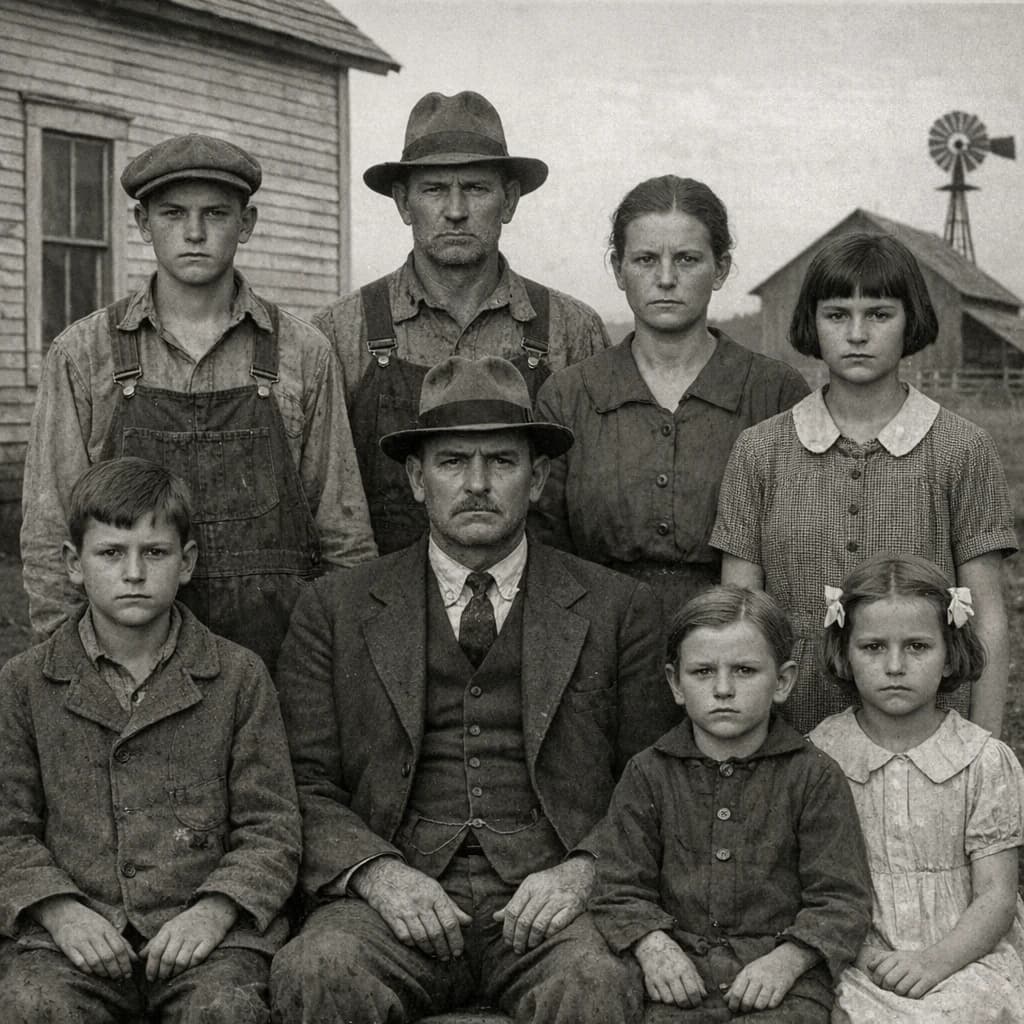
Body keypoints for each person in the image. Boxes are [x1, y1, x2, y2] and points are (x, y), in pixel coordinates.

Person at [270, 355, 673, 1024]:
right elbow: (301, 783)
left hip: (550, 904)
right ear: (415, 480)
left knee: (596, 983)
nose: (478, 484)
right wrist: (377, 873)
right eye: (453, 462)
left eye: (503, 463)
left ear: (538, 477)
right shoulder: (335, 608)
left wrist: (583, 872)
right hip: (394, 898)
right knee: (318, 969)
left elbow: (655, 782)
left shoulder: (618, 607)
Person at [21, 133, 376, 673]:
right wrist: (71, 670)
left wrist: (335, 670)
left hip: (279, 663)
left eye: (215, 213)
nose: (193, 233)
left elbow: (343, 536)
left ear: (247, 224)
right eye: (172, 214)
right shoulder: (83, 353)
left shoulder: (302, 354)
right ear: (142, 224)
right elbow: (51, 537)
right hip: (128, 669)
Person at [0, 458, 301, 1023]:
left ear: (185, 563)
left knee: (227, 1010)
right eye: (111, 553)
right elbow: (6, 829)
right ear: (73, 564)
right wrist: (60, 911)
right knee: (32, 1004)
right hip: (70, 940)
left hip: (209, 940)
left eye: (155, 553)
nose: (133, 572)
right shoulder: (24, 683)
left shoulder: (237, 676)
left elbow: (272, 827)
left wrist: (214, 911)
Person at [712, 232, 1017, 735]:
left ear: (911, 320)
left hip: (931, 734)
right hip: (795, 731)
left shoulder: (962, 448)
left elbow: (986, 618)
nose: (857, 333)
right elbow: (740, 617)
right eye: (836, 315)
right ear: (811, 322)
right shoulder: (759, 450)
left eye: (878, 314)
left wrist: (985, 752)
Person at [313, 90, 611, 554]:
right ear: (403, 203)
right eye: (434, 190)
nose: (455, 210)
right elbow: (334, 519)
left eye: (475, 188)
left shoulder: (572, 330)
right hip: (385, 611)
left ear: (509, 201)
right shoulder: (340, 332)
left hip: (543, 612)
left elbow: (594, 507)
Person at [588, 585, 872, 1022]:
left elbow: (840, 900)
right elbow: (619, 887)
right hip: (678, 981)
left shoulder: (814, 775)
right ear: (675, 684)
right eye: (702, 672)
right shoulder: (648, 773)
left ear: (782, 681)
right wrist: (653, 946)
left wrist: (788, 961)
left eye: (744, 670)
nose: (723, 689)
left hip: (781, 987)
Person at [534, 176, 809, 616]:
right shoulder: (569, 396)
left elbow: (797, 551)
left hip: (733, 642)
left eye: (687, 259)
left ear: (720, 268)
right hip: (596, 639)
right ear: (618, 267)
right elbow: (544, 544)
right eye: (645, 259)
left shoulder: (774, 392)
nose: (665, 279)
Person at [810, 553, 1024, 1022]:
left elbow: (996, 897)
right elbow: (806, 881)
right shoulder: (819, 756)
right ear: (845, 654)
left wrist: (933, 963)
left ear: (950, 655)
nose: (894, 665)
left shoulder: (982, 760)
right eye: (872, 647)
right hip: (855, 950)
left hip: (961, 952)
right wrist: (863, 958)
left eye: (917, 647)